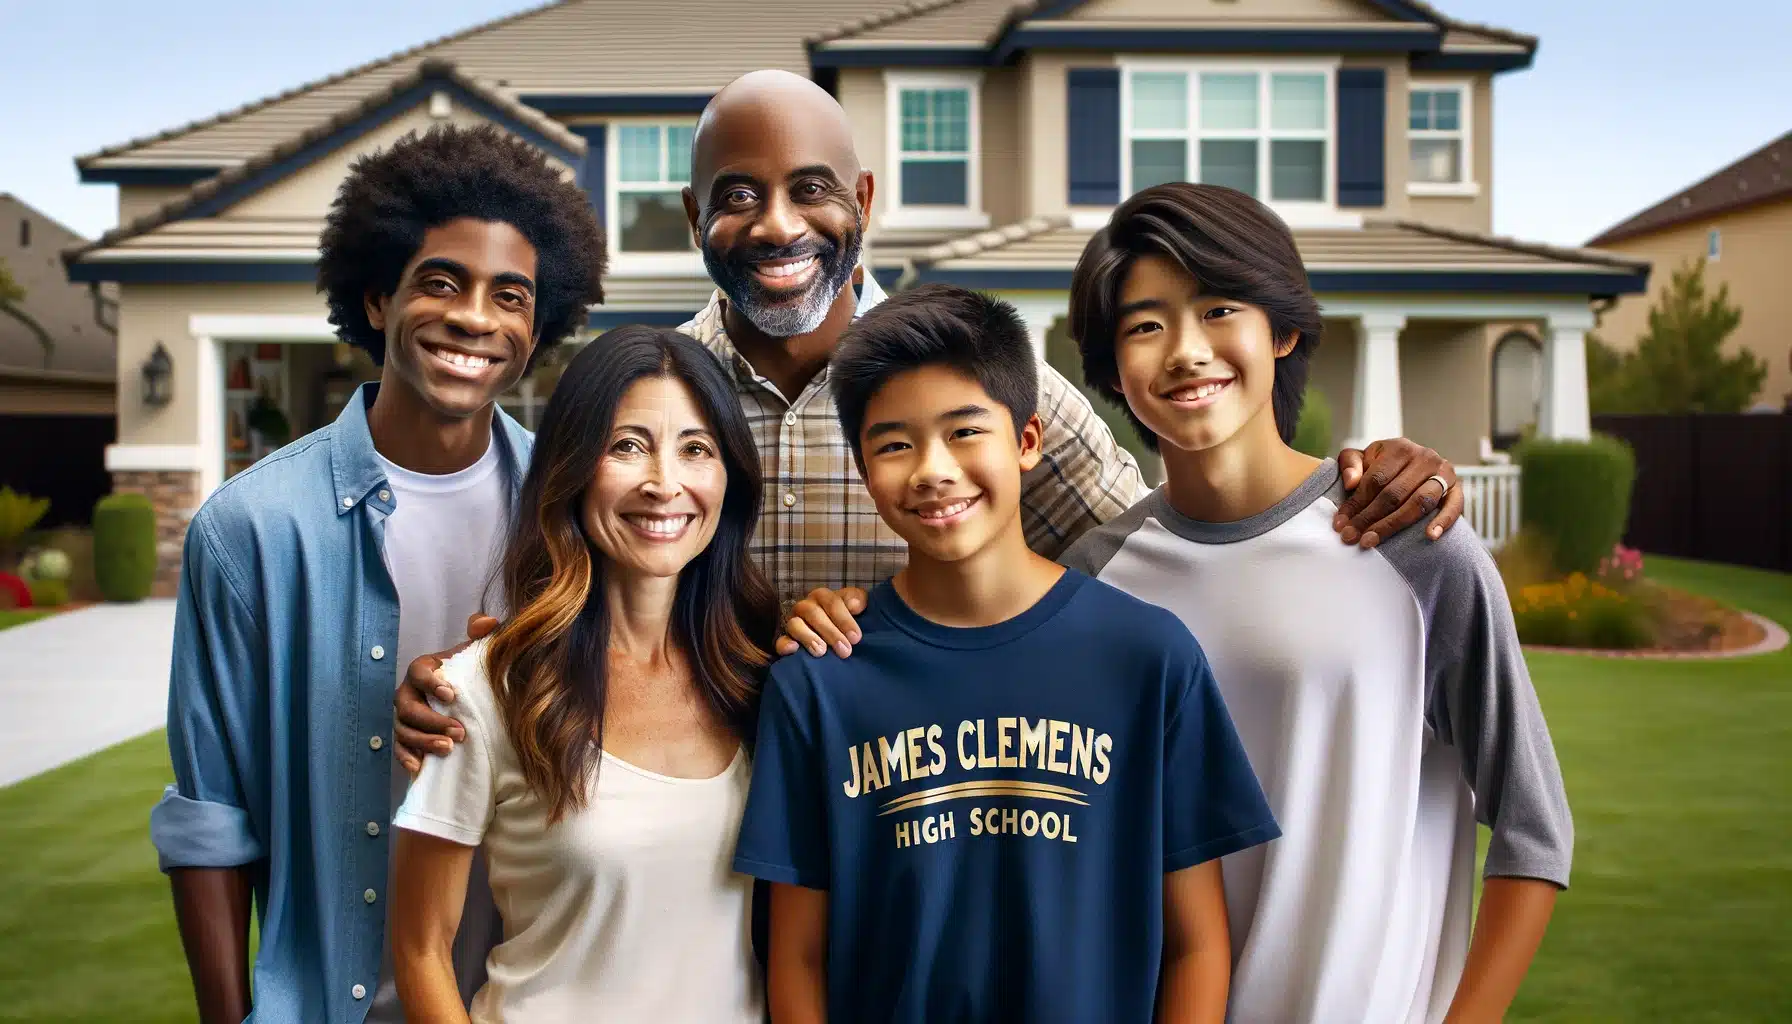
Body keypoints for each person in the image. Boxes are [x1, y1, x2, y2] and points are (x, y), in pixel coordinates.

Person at [394, 68, 1467, 758]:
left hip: (933, 833)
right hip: (686, 831)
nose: (775, 226)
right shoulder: (652, 401)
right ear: (693, 217)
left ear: (862, 204)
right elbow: (549, 607)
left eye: (810, 190)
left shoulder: (998, 394)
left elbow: (1172, 563)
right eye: (735, 196)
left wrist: (1346, 480)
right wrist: (466, 686)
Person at [1055, 183, 1573, 1022]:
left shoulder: (1410, 542)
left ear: (1283, 328)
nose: (1186, 352)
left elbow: (1534, 832)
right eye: (1146, 326)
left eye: (1219, 309)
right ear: (1115, 367)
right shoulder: (1088, 583)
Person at [150, 123, 605, 1024]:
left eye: (510, 296)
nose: (476, 317)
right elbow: (208, 817)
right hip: (329, 1004)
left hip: (529, 995)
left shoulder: (574, 511)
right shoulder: (247, 531)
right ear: (374, 300)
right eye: (442, 282)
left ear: (537, 327)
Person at [732, 284, 1281, 1022]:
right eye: (894, 444)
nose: (932, 470)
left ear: (1026, 443)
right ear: (865, 472)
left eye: (964, 432)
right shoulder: (819, 682)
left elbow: (1198, 945)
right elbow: (795, 956)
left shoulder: (1146, 658)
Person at [388, 326, 779, 1022]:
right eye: (627, 446)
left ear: (729, 479)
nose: (665, 483)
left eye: (696, 449)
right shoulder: (486, 687)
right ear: (572, 466)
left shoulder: (757, 679)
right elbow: (421, 945)